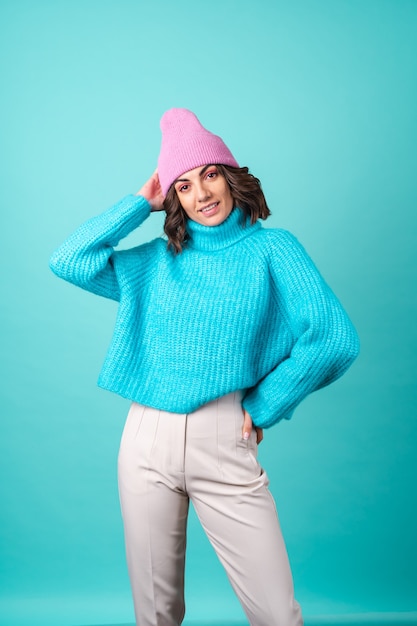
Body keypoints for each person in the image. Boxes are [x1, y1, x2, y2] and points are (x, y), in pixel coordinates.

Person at [49, 108, 359, 626]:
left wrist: (265, 404)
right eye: (184, 185)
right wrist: (136, 205)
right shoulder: (154, 261)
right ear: (173, 198)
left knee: (277, 615)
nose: (202, 194)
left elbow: (334, 338)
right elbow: (69, 260)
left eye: (210, 175)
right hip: (145, 441)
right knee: (156, 615)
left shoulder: (273, 250)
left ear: (232, 176)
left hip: (224, 437)